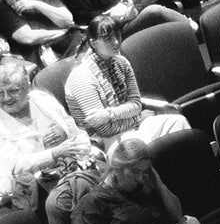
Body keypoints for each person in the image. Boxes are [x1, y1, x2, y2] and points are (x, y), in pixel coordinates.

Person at [70, 136, 211, 224]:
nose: (141, 177)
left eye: (146, 171)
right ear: (116, 168)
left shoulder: (144, 188)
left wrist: (158, 182)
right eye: (135, 171)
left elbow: (176, 215)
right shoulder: (93, 201)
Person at [62, 13, 188, 148]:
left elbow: (136, 105)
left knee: (178, 122)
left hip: (132, 126)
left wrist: (110, 114)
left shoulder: (122, 63)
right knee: (150, 146)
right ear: (93, 42)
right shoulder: (82, 78)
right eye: (108, 39)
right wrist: (138, 117)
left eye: (117, 36)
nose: (116, 42)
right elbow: (105, 129)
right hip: (105, 141)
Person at [0, 55, 89, 209]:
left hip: (72, 168)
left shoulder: (42, 100)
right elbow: (14, 165)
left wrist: (66, 133)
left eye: (13, 91)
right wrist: (54, 153)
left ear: (28, 86)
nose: (6, 98)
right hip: (34, 190)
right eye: (0, 93)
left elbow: (77, 134)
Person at [0, 0, 71, 64]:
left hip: (66, 43)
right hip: (42, 54)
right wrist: (61, 32)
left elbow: (68, 20)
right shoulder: (4, 4)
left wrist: (37, 4)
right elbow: (28, 37)